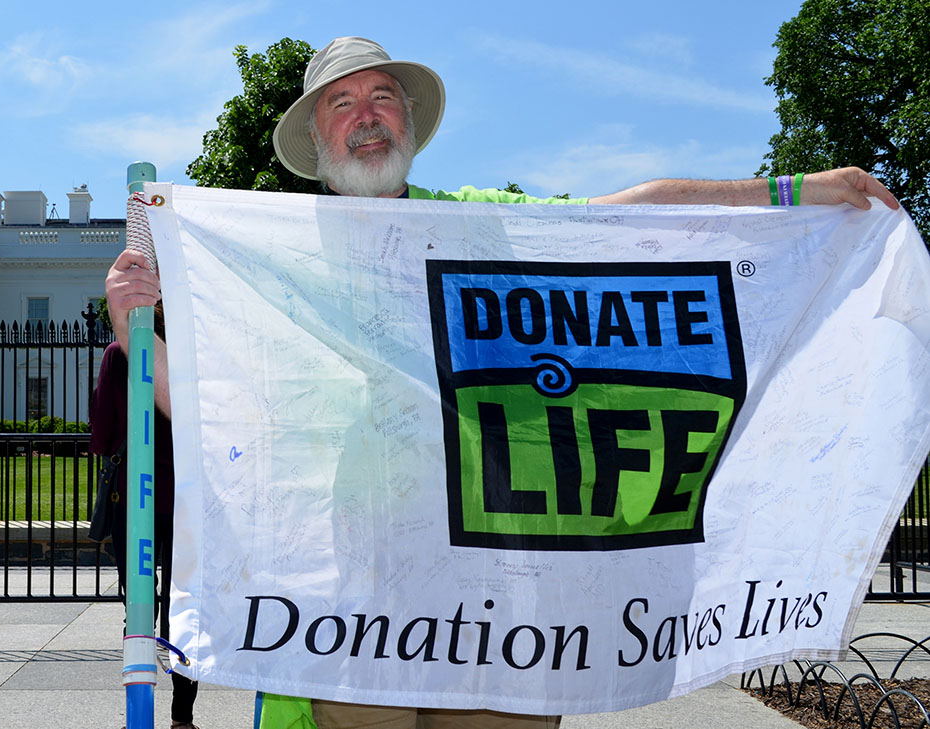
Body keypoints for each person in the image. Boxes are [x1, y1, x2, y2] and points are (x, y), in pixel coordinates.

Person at [103, 36, 902, 729]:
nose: (368, 113)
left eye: (384, 95)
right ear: (317, 138)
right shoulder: (276, 264)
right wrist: (128, 322)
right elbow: (216, 417)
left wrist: (793, 193)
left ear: (411, 124)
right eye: (342, 103)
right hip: (343, 620)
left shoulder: (478, 227)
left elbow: (638, 218)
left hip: (503, 617)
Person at [89, 302, 200, 729]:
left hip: (133, 500)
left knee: (138, 607)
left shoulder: (119, 352)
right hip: (186, 500)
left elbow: (100, 435)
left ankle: (140, 708)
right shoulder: (191, 349)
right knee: (184, 610)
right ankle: (182, 717)